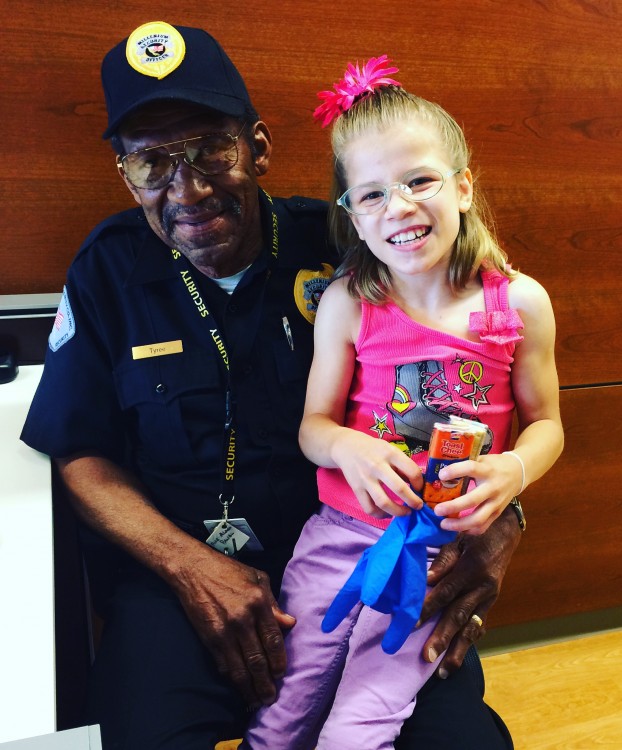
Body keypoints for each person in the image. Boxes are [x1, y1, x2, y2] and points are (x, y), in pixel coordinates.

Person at [20, 23, 533, 750]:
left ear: (257, 147)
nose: (187, 188)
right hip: (182, 575)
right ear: (126, 177)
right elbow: (80, 453)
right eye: (152, 163)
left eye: (211, 150)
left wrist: (506, 518)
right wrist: (190, 568)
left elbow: (480, 376)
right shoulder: (107, 271)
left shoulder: (355, 245)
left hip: (362, 553)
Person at [243, 58, 564, 750]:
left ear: (464, 186)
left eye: (420, 181)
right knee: (281, 716)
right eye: (372, 194)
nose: (400, 207)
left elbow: (548, 426)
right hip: (335, 542)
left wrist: (515, 472)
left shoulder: (520, 305)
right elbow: (314, 427)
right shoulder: (347, 304)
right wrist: (348, 445)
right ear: (352, 216)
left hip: (435, 559)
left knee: (359, 730)